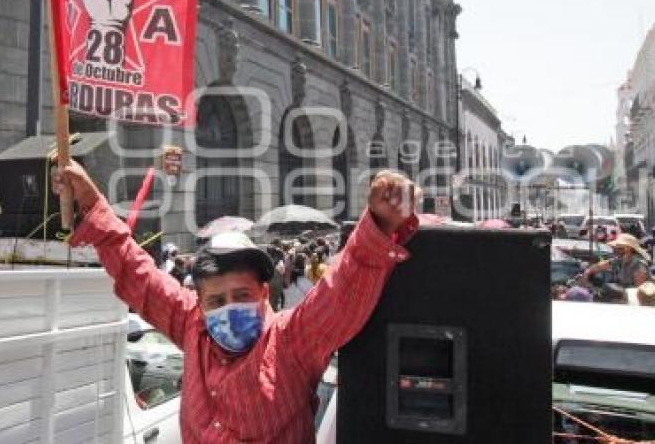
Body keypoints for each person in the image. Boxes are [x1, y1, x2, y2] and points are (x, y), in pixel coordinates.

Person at [52, 162, 420, 443]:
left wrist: (380, 222)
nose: (228, 309)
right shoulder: (191, 324)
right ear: (200, 303)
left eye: (241, 295)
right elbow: (138, 274)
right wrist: (92, 203)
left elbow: (342, 288)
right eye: (216, 300)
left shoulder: (292, 340)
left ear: (264, 293)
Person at [584, 233, 650, 289]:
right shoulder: (619, 260)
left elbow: (638, 290)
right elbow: (600, 266)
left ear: (629, 248)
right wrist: (588, 272)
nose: (616, 250)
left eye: (619, 248)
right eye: (616, 248)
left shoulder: (639, 265)